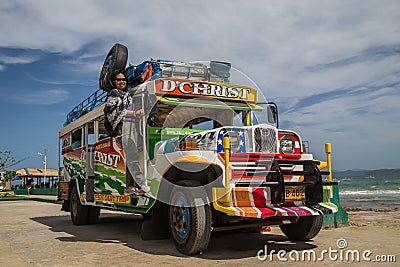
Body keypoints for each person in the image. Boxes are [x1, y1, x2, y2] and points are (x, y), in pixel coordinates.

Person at [104, 69, 149, 195]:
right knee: (132, 157)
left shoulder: (126, 95)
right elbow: (112, 111)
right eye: (119, 79)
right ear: (114, 82)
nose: (122, 81)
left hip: (131, 128)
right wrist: (135, 113)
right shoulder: (114, 93)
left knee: (132, 157)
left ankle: (130, 186)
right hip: (122, 129)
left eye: (124, 79)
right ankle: (141, 184)